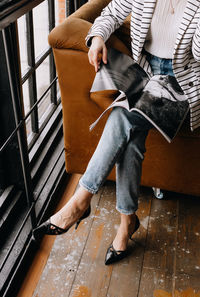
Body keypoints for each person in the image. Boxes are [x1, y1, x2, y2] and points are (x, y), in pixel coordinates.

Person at [33, 0, 200, 265]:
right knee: (131, 139)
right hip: (144, 74)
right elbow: (111, 12)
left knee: (123, 117)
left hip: (180, 84)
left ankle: (81, 201)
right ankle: (127, 221)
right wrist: (98, 37)